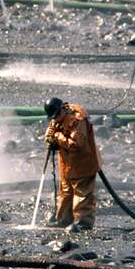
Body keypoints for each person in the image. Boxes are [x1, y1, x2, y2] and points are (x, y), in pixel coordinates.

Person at [44, 97, 101, 230]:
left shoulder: (77, 120)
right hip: (67, 165)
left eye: (57, 115)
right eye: (53, 117)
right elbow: (51, 132)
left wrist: (57, 137)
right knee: (65, 193)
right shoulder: (57, 118)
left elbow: (76, 144)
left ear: (63, 109)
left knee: (82, 194)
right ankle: (63, 220)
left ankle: (83, 222)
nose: (55, 118)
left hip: (83, 164)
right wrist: (49, 138)